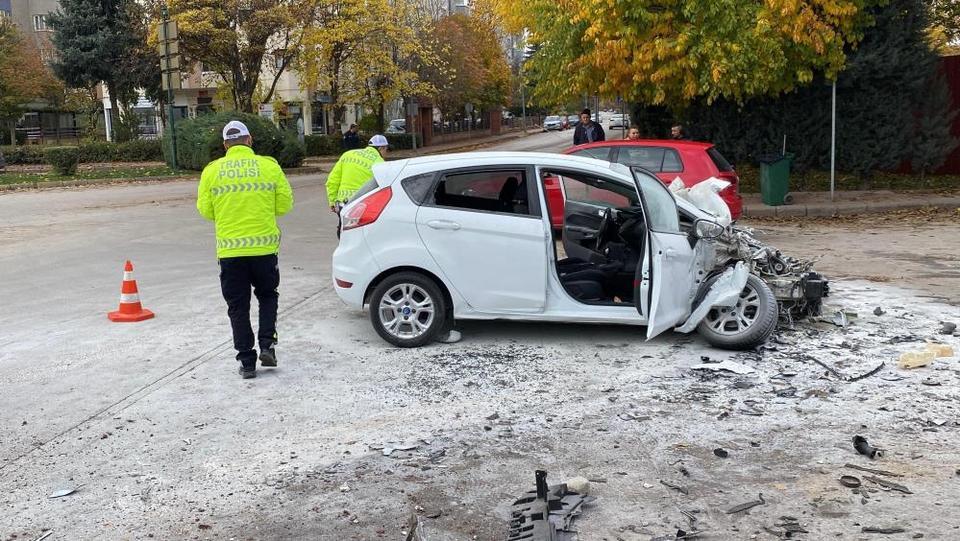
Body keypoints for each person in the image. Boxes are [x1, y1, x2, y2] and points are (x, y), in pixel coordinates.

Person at [197, 120, 294, 379]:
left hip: (230, 253)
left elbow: (206, 211)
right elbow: (284, 206)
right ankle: (267, 345)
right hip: (264, 250)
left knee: (238, 307)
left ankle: (247, 361)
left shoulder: (212, 171)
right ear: (250, 141)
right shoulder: (269, 166)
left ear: (225, 145)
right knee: (268, 296)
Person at [326, 134, 389, 237]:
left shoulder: (347, 155)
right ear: (381, 148)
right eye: (386, 149)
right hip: (363, 207)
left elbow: (332, 181)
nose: (387, 153)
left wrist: (332, 201)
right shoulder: (380, 163)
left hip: (343, 204)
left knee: (344, 233)